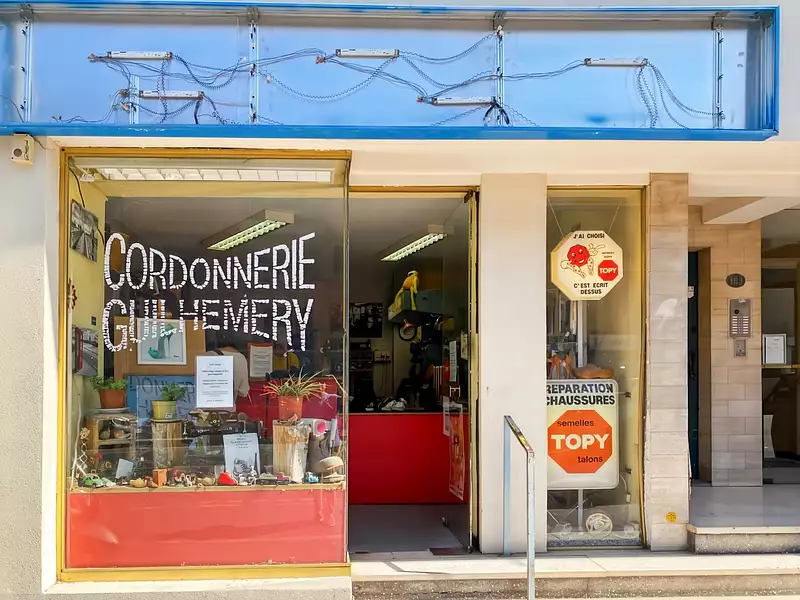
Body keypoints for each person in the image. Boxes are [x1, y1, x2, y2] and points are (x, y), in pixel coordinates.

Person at [204, 332, 251, 406]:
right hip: (229, 408)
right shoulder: (241, 358)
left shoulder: (209, 355)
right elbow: (243, 392)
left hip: (207, 406)